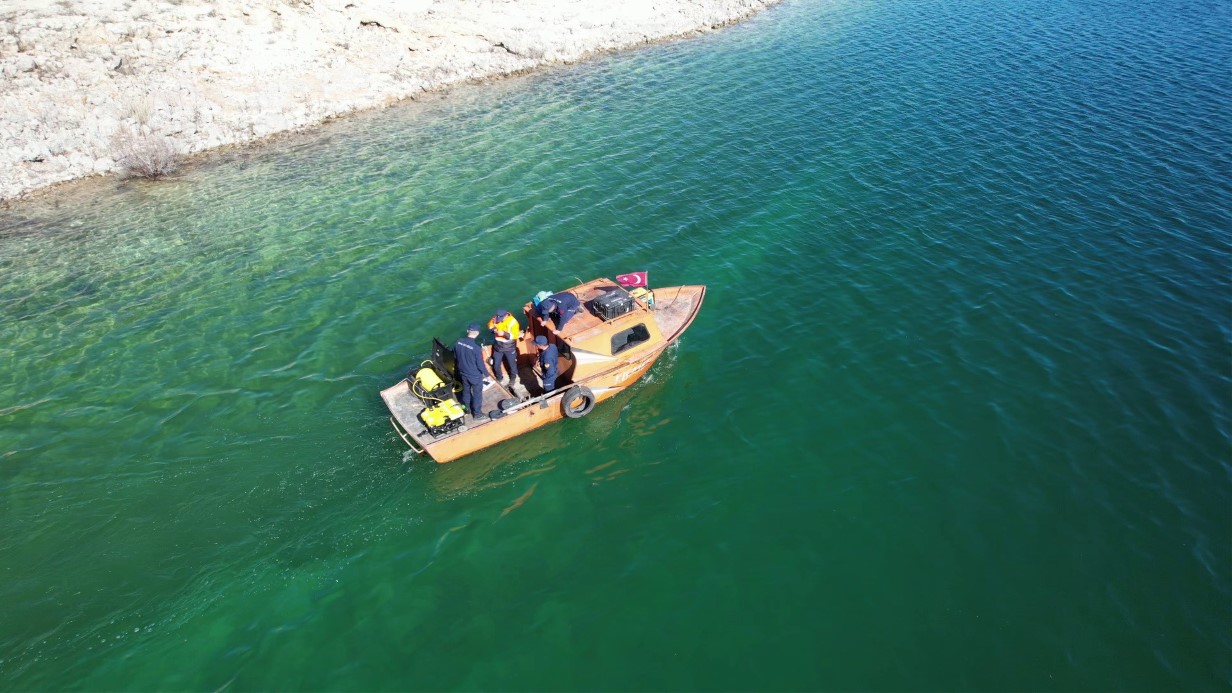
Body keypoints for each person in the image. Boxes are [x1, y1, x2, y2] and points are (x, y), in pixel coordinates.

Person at [454, 322, 487, 420]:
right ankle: (477, 414)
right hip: (474, 375)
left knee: (466, 391)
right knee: (477, 394)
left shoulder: (458, 342)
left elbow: (456, 356)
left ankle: (466, 408)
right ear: (477, 333)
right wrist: (487, 374)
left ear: (467, 331)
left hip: (463, 372)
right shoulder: (476, 349)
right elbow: (480, 365)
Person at [487, 308, 521, 386]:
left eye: (501, 318)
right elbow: (489, 325)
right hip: (498, 346)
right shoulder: (496, 318)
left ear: (506, 315)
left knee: (512, 364)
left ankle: (513, 378)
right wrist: (493, 330)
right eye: (498, 318)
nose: (499, 320)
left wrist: (504, 334)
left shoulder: (513, 322)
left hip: (509, 347)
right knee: (496, 364)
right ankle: (499, 377)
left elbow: (515, 335)